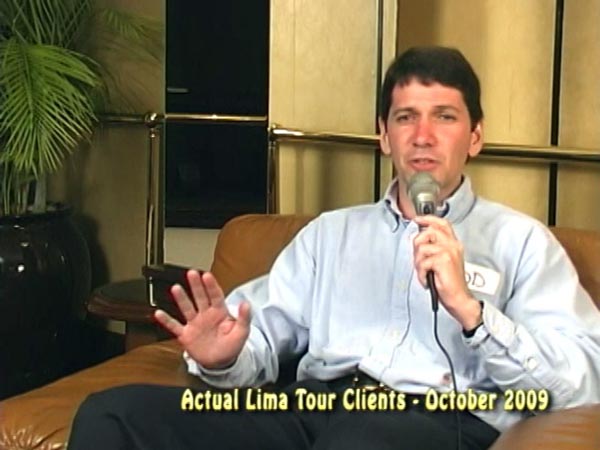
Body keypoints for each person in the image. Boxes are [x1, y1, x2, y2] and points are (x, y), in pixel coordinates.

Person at [68, 46, 600, 450]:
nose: (422, 135)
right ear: (384, 136)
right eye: (405, 117)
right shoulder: (331, 236)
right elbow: (261, 335)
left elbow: (581, 380)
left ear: (475, 137)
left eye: (444, 116)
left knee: (361, 440)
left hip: (436, 419)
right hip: (311, 408)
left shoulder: (521, 242)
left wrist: (473, 314)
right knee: (112, 415)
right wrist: (224, 357)